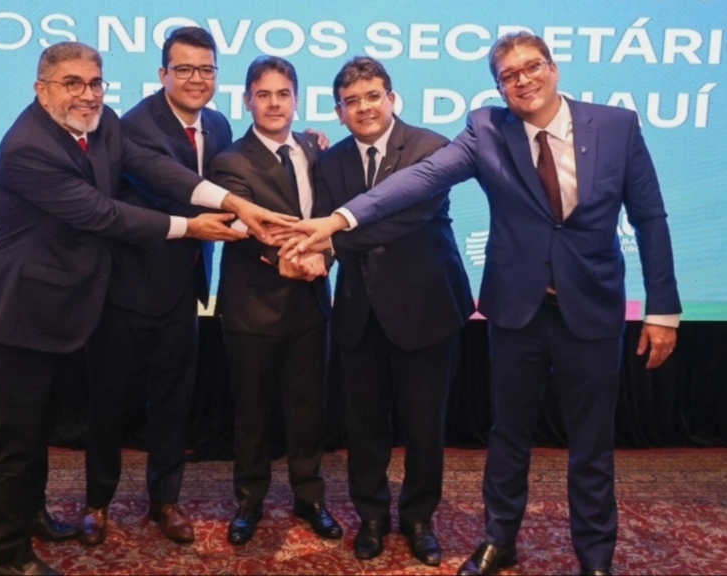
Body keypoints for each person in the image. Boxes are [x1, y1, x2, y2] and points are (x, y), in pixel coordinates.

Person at [281, 32, 681, 576]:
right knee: (507, 436)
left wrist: (663, 308)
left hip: (591, 309)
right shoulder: (487, 130)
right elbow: (421, 179)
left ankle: (595, 558)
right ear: (499, 87)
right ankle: (500, 540)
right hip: (516, 312)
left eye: (531, 67)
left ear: (553, 68)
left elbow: (650, 218)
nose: (523, 80)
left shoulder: (616, 126)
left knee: (591, 445)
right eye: (509, 75)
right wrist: (339, 219)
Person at [0, 41, 290, 576]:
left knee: (38, 429)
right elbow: (103, 214)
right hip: (20, 315)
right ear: (41, 89)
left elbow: (153, 168)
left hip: (62, 309)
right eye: (72, 83)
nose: (87, 94)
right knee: (13, 444)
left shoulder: (102, 124)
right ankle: (7, 557)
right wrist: (190, 227)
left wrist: (233, 202)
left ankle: (32, 517)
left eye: (95, 82)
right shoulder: (28, 148)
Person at [310, 56, 474, 566]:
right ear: (339, 112)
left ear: (391, 98)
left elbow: (405, 218)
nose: (364, 108)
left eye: (372, 96)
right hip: (359, 313)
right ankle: (373, 516)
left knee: (425, 425)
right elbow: (324, 223)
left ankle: (419, 518)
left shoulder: (432, 149)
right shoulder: (330, 163)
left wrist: (332, 238)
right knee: (364, 427)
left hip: (427, 309)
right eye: (351, 101)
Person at [81, 26, 234, 547]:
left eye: (206, 69)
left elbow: (236, 177)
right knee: (110, 403)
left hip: (185, 287)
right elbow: (173, 187)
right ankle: (96, 503)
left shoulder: (218, 124)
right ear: (162, 73)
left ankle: (165, 500)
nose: (196, 79)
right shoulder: (135, 125)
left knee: (173, 402)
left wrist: (305, 143)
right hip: (129, 289)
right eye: (184, 68)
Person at [209, 55, 342, 546]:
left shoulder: (313, 148)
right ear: (247, 101)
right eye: (262, 94)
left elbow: (329, 213)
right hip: (254, 308)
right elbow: (245, 228)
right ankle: (249, 500)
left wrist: (323, 256)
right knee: (253, 413)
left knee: (308, 410)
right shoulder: (229, 161)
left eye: (282, 94)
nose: (273, 103)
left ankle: (310, 497)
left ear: (296, 100)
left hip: (311, 304)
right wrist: (293, 257)